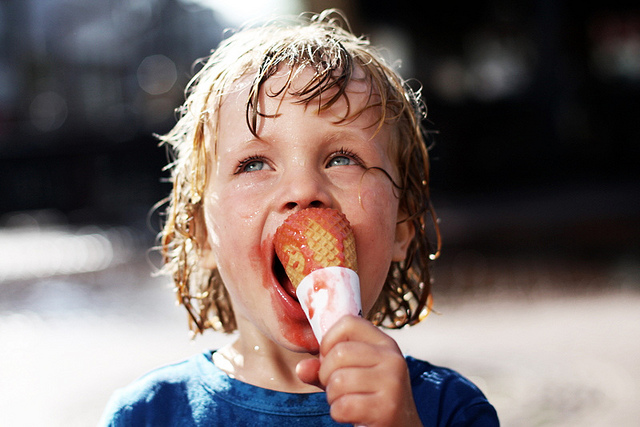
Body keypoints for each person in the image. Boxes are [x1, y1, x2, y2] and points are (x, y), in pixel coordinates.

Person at [100, 9, 499, 427]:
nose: (303, 190)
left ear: (401, 226)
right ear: (201, 235)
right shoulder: (147, 416)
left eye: (342, 158)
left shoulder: (448, 410)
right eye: (254, 164)